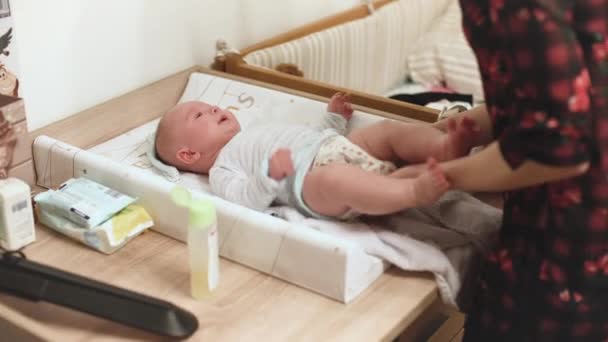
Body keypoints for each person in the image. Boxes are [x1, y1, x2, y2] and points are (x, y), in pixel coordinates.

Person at [395, 1, 608, 340]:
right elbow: (560, 95)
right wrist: (462, 127)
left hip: (572, 253)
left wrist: (438, 179)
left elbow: (558, 146)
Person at [155, 93, 479, 219]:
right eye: (199, 116)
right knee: (335, 180)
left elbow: (307, 135)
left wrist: (333, 120)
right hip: (306, 183)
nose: (213, 108)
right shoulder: (222, 170)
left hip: (329, 144)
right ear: (188, 153)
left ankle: (442, 148)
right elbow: (245, 201)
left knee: (385, 131)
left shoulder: (253, 130)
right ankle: (410, 191)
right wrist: (269, 175)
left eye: (209, 105)